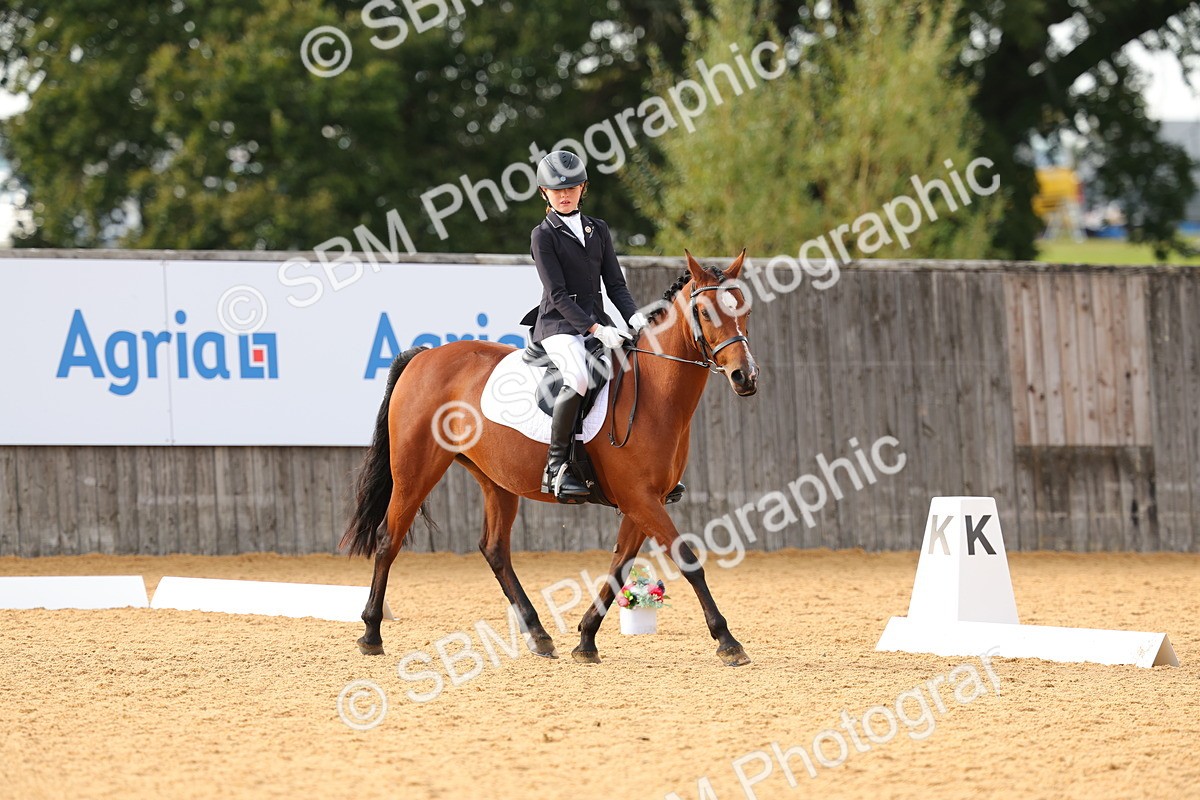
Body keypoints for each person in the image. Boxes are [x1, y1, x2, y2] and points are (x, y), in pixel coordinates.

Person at [527, 150, 648, 502]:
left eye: (571, 188)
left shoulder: (600, 229)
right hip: (558, 327)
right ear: (544, 193)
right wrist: (596, 329)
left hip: (600, 322)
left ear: (583, 189)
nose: (564, 195)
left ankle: (646, 463)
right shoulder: (542, 236)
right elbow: (558, 294)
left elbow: (615, 284)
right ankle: (555, 467)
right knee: (578, 377)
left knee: (635, 367)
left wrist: (633, 316)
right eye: (556, 190)